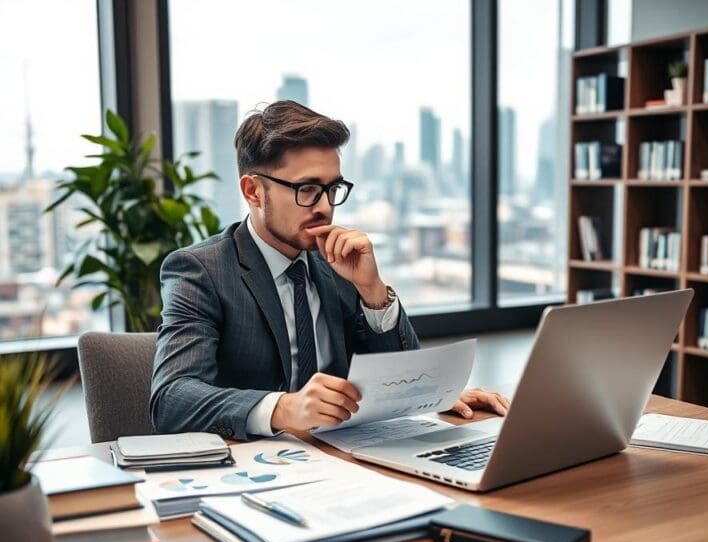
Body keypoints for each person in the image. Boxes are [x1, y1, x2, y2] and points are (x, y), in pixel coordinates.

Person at [150, 100, 509, 440]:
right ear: (254, 191)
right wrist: (283, 408)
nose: (324, 206)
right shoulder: (201, 270)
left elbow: (401, 378)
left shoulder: (340, 261)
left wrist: (374, 294)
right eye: (306, 189)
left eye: (332, 188)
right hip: (253, 468)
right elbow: (172, 398)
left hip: (346, 460)